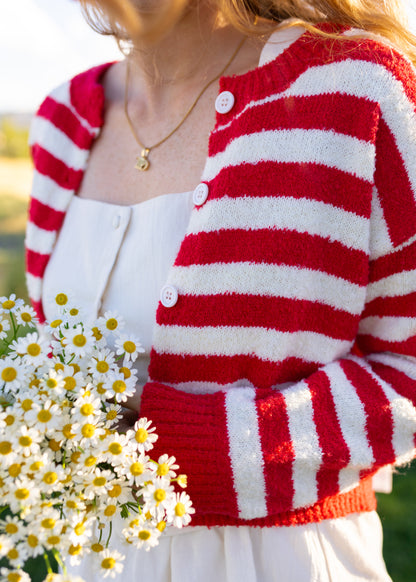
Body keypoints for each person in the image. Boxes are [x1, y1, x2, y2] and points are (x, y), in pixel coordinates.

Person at [25, 0, 416, 580]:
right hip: (94, 562)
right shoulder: (61, 119)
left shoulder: (357, 90)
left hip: (281, 563)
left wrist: (180, 451)